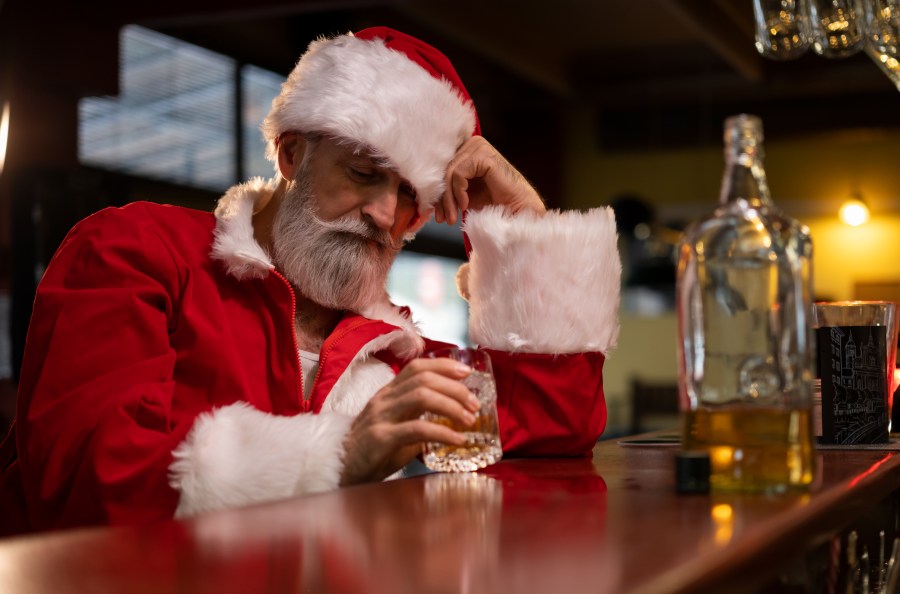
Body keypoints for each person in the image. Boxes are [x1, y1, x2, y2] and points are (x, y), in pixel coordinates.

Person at [0, 26, 621, 535]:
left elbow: (556, 429)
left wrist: (525, 232)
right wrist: (341, 453)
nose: (384, 215)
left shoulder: (396, 356)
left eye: (411, 198)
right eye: (361, 171)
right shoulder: (133, 250)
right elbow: (86, 484)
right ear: (291, 153)